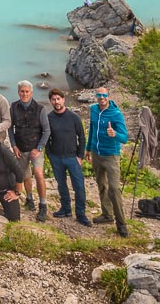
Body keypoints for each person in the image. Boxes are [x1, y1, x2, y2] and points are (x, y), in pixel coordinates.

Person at [87, 87, 129, 237]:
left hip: (111, 155)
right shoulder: (93, 110)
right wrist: (88, 148)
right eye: (99, 95)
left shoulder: (116, 114)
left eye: (104, 95)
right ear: (96, 96)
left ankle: (121, 224)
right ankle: (107, 215)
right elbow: (92, 130)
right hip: (96, 153)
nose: (102, 97)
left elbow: (125, 138)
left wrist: (114, 134)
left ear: (108, 97)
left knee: (114, 189)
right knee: (101, 185)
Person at [46, 88, 91, 225]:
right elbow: (46, 137)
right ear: (51, 101)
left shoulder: (74, 117)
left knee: (79, 186)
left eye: (58, 99)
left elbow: (82, 138)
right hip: (56, 157)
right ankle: (65, 208)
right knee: (62, 185)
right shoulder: (49, 118)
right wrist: (49, 154)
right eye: (53, 99)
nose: (56, 101)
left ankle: (81, 214)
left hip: (72, 157)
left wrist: (80, 156)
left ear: (63, 100)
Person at [9, 80, 50, 222]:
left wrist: (39, 148)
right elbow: (10, 128)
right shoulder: (13, 107)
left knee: (38, 174)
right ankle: (29, 198)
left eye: (27, 91)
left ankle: (43, 205)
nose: (24, 94)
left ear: (31, 93)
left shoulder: (40, 108)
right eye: (22, 91)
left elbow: (46, 130)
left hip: (36, 148)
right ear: (18, 92)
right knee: (24, 174)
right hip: (20, 148)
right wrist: (14, 145)